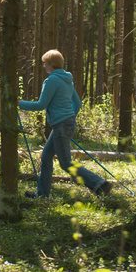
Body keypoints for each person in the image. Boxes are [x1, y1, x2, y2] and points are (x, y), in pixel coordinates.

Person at [18, 49, 113, 198]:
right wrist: (69, 118)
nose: (43, 66)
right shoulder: (67, 80)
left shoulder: (51, 80)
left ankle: (100, 184)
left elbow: (41, 105)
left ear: (50, 64)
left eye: (45, 63)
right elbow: (77, 103)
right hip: (64, 124)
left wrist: (20, 104)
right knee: (46, 158)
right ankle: (42, 194)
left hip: (61, 125)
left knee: (66, 163)